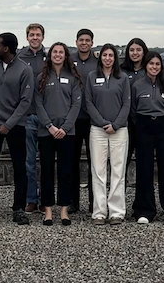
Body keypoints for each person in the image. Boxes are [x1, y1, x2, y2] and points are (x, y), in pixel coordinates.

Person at [0, 32, 33, 226]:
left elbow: (26, 101)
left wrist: (9, 124)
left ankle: (19, 208)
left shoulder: (24, 70)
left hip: (15, 126)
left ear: (7, 49)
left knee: (20, 168)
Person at [130, 51, 164, 224]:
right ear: (146, 65)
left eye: (157, 64)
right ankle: (144, 210)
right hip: (144, 126)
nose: (154, 67)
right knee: (144, 169)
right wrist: (140, 124)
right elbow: (132, 109)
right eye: (151, 64)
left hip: (163, 126)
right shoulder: (137, 86)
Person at [35, 42, 82, 226]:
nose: (58, 55)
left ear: (66, 55)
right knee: (46, 171)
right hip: (46, 132)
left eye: (61, 52)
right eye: (55, 52)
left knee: (65, 171)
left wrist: (65, 127)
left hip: (67, 133)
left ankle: (63, 209)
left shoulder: (73, 78)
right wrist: (50, 126)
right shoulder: (41, 78)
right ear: (50, 55)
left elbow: (76, 105)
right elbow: (38, 104)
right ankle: (47, 210)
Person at [85, 44, 131, 225]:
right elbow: (88, 102)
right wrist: (103, 123)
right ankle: (99, 212)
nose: (108, 58)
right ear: (100, 57)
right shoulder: (91, 77)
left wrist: (116, 124)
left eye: (111, 55)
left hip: (119, 130)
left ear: (115, 58)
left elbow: (127, 104)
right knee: (98, 171)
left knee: (118, 171)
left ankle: (117, 212)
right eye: (105, 55)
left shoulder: (123, 78)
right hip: (97, 130)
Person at [18, 23, 46, 214]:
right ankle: (31, 199)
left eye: (38, 35)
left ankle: (46, 199)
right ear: (27, 37)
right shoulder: (20, 58)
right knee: (28, 161)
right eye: (31, 35)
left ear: (43, 37)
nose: (35, 38)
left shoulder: (51, 58)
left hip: (47, 116)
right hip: (27, 115)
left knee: (45, 161)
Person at [70, 29, 98, 214]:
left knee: (94, 162)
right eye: (81, 40)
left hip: (92, 118)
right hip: (72, 118)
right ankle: (72, 202)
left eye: (88, 40)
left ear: (92, 42)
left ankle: (93, 202)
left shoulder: (98, 61)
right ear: (76, 41)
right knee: (71, 162)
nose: (84, 43)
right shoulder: (68, 59)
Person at [120, 38, 149, 188]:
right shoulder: (121, 70)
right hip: (125, 123)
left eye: (138, 50)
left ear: (144, 51)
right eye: (132, 50)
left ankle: (142, 201)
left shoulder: (149, 69)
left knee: (144, 162)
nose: (135, 53)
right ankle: (119, 201)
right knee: (122, 162)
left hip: (144, 122)